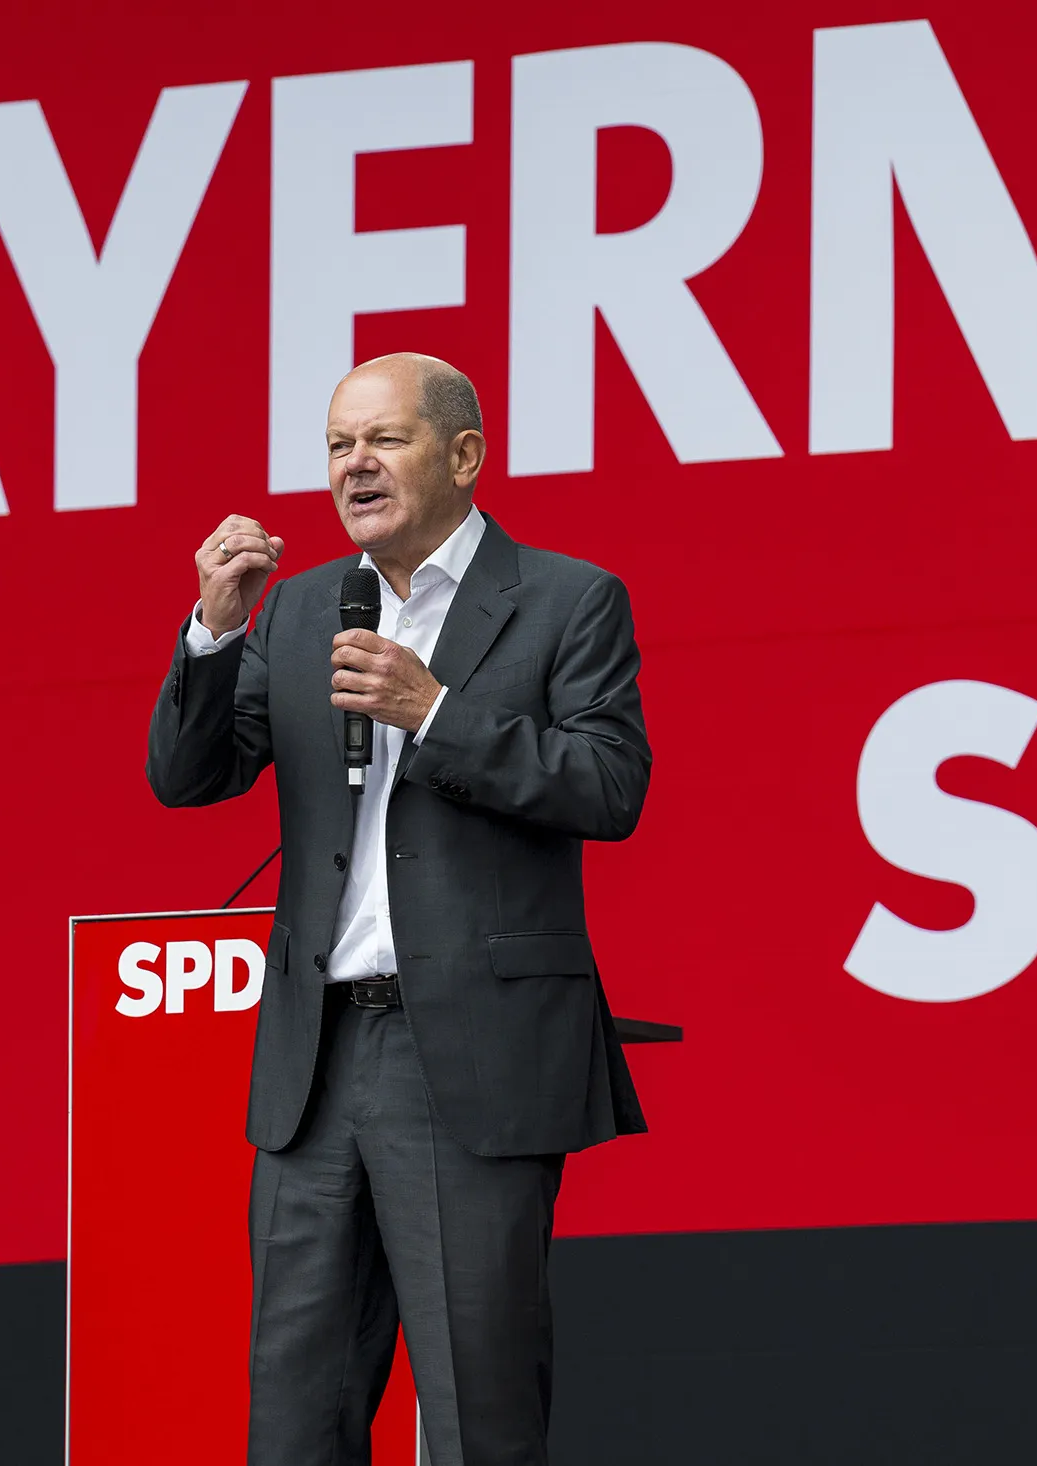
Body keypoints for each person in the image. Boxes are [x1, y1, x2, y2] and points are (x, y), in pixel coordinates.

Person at [147, 353, 652, 1466]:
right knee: (294, 1410)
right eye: (337, 445)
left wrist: (435, 713)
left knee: (477, 1406)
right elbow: (188, 778)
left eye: (384, 439)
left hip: (469, 1053)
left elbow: (610, 786)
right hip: (317, 1059)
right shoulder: (299, 613)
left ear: (464, 455)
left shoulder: (567, 598)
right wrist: (215, 628)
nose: (354, 464)